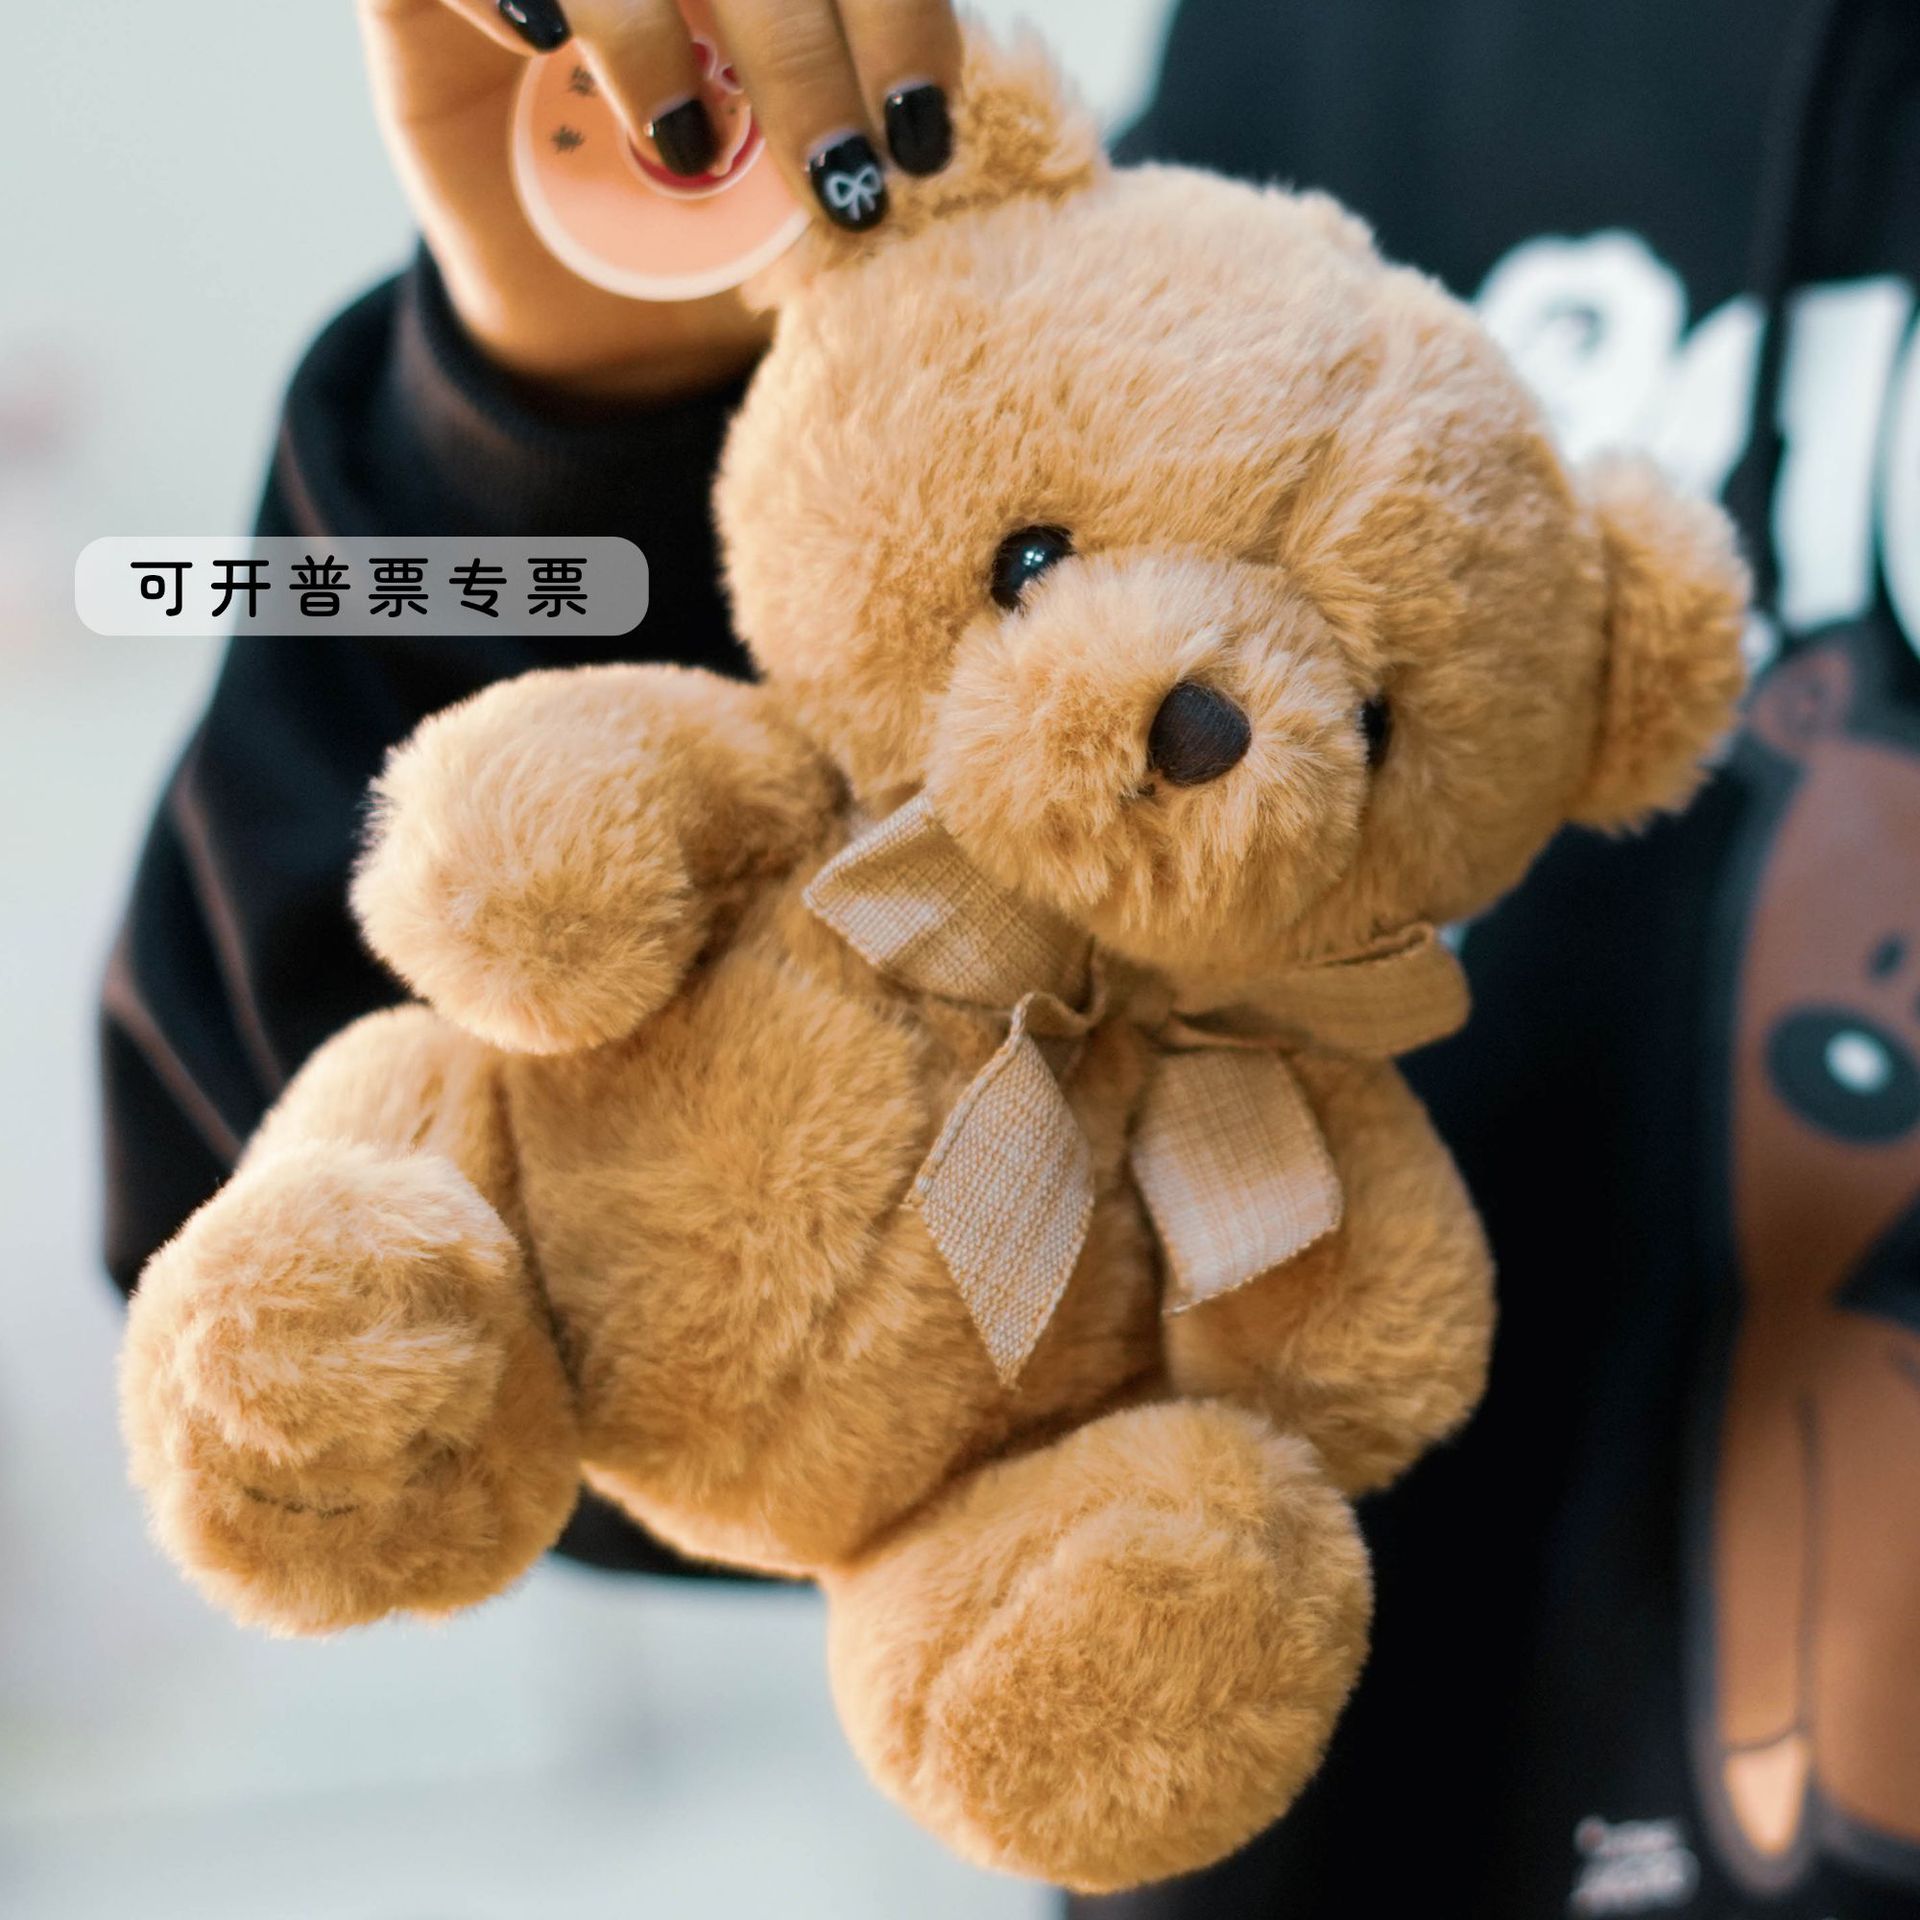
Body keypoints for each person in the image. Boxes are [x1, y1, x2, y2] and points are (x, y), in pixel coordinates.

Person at [102, 1, 1920, 1913]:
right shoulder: (1334, 63)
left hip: (1046, 1532)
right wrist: (555, 400)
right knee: (377, 1231)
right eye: (1047, 572)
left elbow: (1354, 1359)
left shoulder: (1251, 1070)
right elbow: (325, 1012)